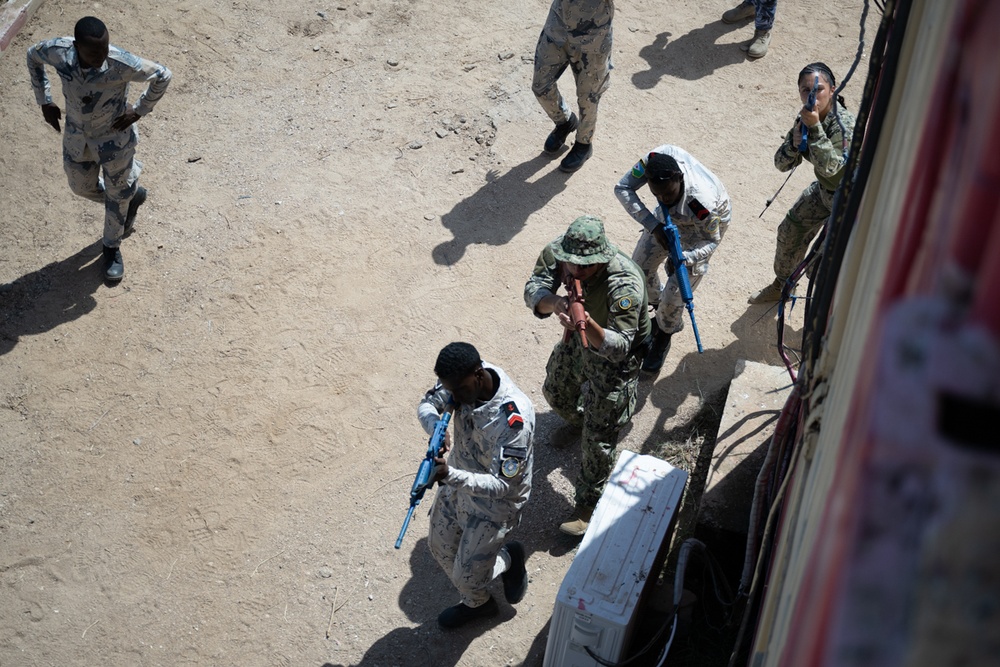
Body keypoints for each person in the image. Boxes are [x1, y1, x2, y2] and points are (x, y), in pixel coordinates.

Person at [524, 215, 651, 536]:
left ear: (600, 259)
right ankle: (579, 420)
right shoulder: (561, 254)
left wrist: (586, 323)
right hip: (577, 340)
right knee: (556, 392)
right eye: (571, 265)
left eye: (584, 268)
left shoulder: (624, 283)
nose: (575, 271)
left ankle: (587, 504)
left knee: (600, 435)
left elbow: (620, 346)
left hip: (614, 357)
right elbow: (533, 288)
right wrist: (555, 304)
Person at [26, 16, 171, 282]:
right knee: (80, 187)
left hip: (113, 140)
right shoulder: (59, 52)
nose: (102, 57)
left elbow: (162, 75)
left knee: (117, 191)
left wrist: (139, 111)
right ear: (76, 46)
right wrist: (44, 101)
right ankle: (130, 198)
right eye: (94, 52)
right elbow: (32, 56)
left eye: (105, 49)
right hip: (76, 137)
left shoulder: (120, 62)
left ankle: (111, 248)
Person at [419, 342, 534, 629]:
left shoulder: (512, 420)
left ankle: (509, 558)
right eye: (450, 391)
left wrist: (448, 476)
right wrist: (435, 425)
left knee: (467, 576)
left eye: (459, 391)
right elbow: (428, 404)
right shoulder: (458, 379)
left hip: (494, 505)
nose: (454, 399)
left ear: (479, 374)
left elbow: (501, 486)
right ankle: (479, 604)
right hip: (458, 482)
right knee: (440, 547)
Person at [615, 146, 731, 373]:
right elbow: (623, 187)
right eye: (656, 194)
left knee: (675, 296)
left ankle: (663, 333)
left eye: (667, 194)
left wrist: (684, 257)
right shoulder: (653, 162)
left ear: (680, 178)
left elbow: (711, 241)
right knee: (638, 271)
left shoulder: (702, 203)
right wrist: (653, 225)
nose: (661, 199)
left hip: (700, 231)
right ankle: (659, 309)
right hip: (667, 222)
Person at [748, 62, 856, 304]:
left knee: (822, 266)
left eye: (818, 89)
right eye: (805, 90)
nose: (811, 96)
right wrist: (794, 145)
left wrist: (815, 129)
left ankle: (825, 312)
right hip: (823, 191)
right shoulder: (805, 117)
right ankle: (782, 285)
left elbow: (835, 171)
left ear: (832, 90)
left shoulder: (844, 125)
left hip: (850, 201)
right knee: (789, 232)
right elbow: (781, 163)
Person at [532, 0, 613, 173]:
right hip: (558, 24)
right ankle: (565, 121)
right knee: (541, 85)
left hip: (593, 35)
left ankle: (584, 144)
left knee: (589, 97)